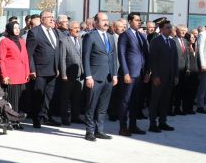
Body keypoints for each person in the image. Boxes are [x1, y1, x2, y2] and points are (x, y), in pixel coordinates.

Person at [81, 12, 117, 141]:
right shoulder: (90, 36)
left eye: (107, 20)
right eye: (103, 20)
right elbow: (85, 58)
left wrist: (114, 75)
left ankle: (99, 130)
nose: (106, 23)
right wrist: (88, 76)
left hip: (108, 77)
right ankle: (89, 131)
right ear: (96, 22)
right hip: (95, 77)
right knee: (91, 105)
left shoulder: (110, 37)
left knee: (103, 107)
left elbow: (113, 58)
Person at [26, 9, 61, 129]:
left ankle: (44, 116)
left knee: (48, 95)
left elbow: (56, 50)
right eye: (49, 17)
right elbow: (29, 53)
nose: (52, 19)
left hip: (52, 69)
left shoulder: (55, 32)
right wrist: (32, 69)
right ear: (42, 19)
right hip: (40, 70)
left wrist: (57, 67)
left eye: (52, 17)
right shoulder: (34, 32)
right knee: (38, 95)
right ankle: (36, 118)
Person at [117, 13, 149, 136]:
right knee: (125, 101)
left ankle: (133, 125)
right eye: (136, 20)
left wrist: (147, 71)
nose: (139, 22)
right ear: (130, 21)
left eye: (140, 20)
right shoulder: (125, 35)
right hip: (129, 74)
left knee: (136, 101)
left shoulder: (142, 36)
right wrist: (125, 73)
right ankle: (123, 127)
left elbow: (146, 55)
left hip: (140, 73)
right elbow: (122, 55)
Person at [148, 19, 178, 131]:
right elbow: (153, 60)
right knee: (155, 100)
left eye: (170, 27)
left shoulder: (172, 42)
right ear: (161, 29)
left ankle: (163, 122)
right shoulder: (156, 42)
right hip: (159, 77)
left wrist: (175, 76)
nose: (170, 29)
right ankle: (152, 123)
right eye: (167, 27)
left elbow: (175, 61)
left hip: (169, 77)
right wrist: (155, 76)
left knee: (166, 101)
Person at [0, 21, 30, 122]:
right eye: (14, 28)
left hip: (21, 74)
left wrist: (27, 72)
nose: (17, 30)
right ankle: (11, 120)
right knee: (13, 99)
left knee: (21, 100)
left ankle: (18, 120)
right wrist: (4, 75)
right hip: (11, 75)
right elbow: (1, 60)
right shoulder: (5, 41)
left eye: (18, 27)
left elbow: (25, 58)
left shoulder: (21, 41)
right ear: (10, 29)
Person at [57, 20, 84, 125]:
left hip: (79, 73)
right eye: (75, 28)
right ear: (69, 30)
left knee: (77, 97)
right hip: (68, 73)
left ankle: (75, 117)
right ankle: (64, 118)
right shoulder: (64, 41)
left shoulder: (80, 40)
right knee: (65, 97)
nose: (78, 30)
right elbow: (62, 58)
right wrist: (63, 74)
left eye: (79, 28)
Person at [172, 25, 191, 115]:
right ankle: (171, 109)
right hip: (176, 69)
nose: (183, 32)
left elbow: (187, 56)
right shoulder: (173, 41)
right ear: (177, 31)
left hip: (184, 70)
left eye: (185, 31)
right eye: (182, 30)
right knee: (174, 91)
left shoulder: (185, 41)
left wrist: (188, 67)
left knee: (181, 90)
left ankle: (178, 108)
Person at [182, 30, 200, 114]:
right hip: (188, 73)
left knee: (193, 91)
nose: (193, 39)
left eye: (194, 37)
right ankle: (186, 108)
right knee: (187, 92)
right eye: (191, 37)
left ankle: (190, 108)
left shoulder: (195, 47)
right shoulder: (186, 48)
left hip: (195, 73)